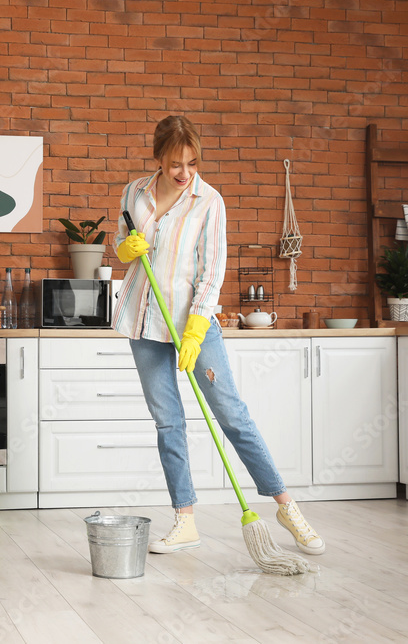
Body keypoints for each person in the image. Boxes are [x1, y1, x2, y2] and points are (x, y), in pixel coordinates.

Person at [112, 115, 324, 555]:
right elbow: (122, 242)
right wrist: (124, 249)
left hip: (193, 323)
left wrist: (195, 330)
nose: (184, 172)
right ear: (158, 158)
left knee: (232, 415)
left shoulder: (209, 201)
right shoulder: (134, 192)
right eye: (175, 163)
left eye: (192, 162)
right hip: (143, 322)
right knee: (168, 421)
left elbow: (212, 272)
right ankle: (185, 519)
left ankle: (286, 506)